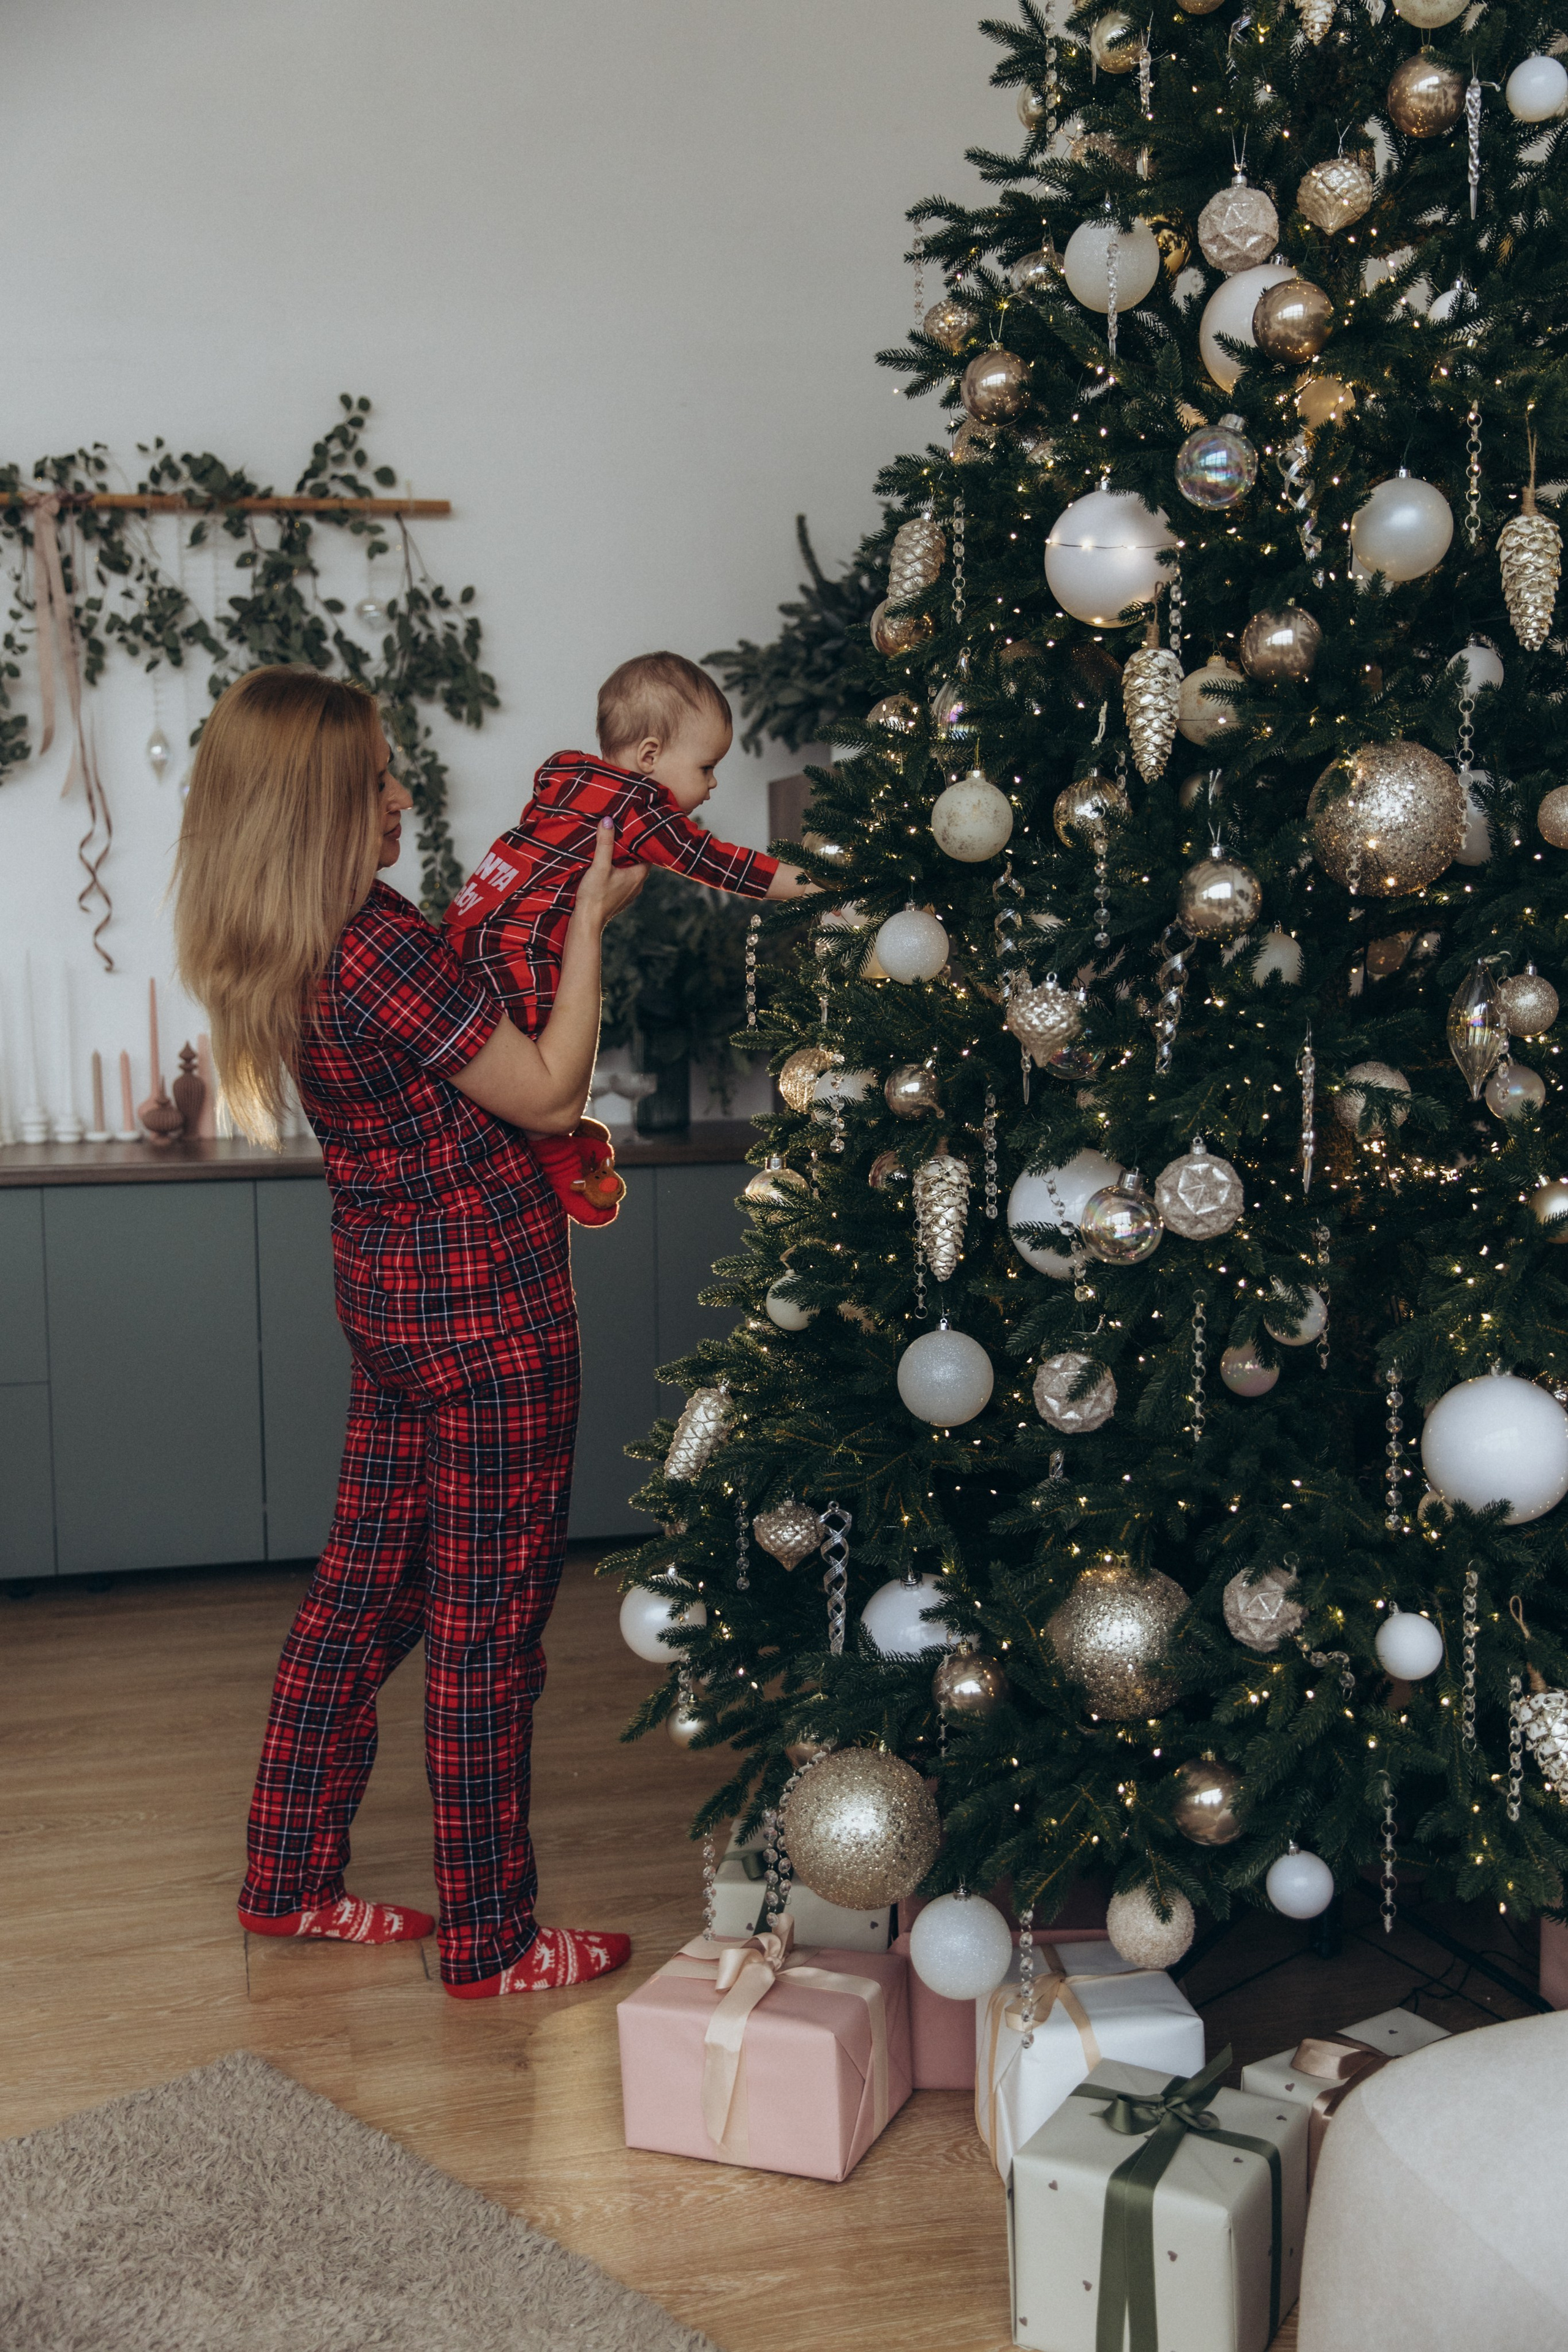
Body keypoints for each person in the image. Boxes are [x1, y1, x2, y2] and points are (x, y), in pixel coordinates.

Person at [174, 665, 639, 1997]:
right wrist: (594, 927)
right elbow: (549, 1096)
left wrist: (559, 909)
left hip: (391, 1308)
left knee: (361, 1598)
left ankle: (286, 1883)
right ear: (319, 808)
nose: (400, 797)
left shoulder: (291, 934)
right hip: (487, 1320)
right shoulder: (371, 938)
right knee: (487, 1628)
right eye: (376, 779)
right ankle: (492, 1943)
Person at [445, 652, 818, 1207]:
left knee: (510, 1056)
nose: (713, 784)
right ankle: (560, 1162)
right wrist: (823, 882)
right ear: (650, 756)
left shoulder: (567, 774)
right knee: (543, 1067)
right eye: (706, 767)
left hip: (472, 918)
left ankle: (559, 1143)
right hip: (520, 945)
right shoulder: (640, 812)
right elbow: (725, 865)